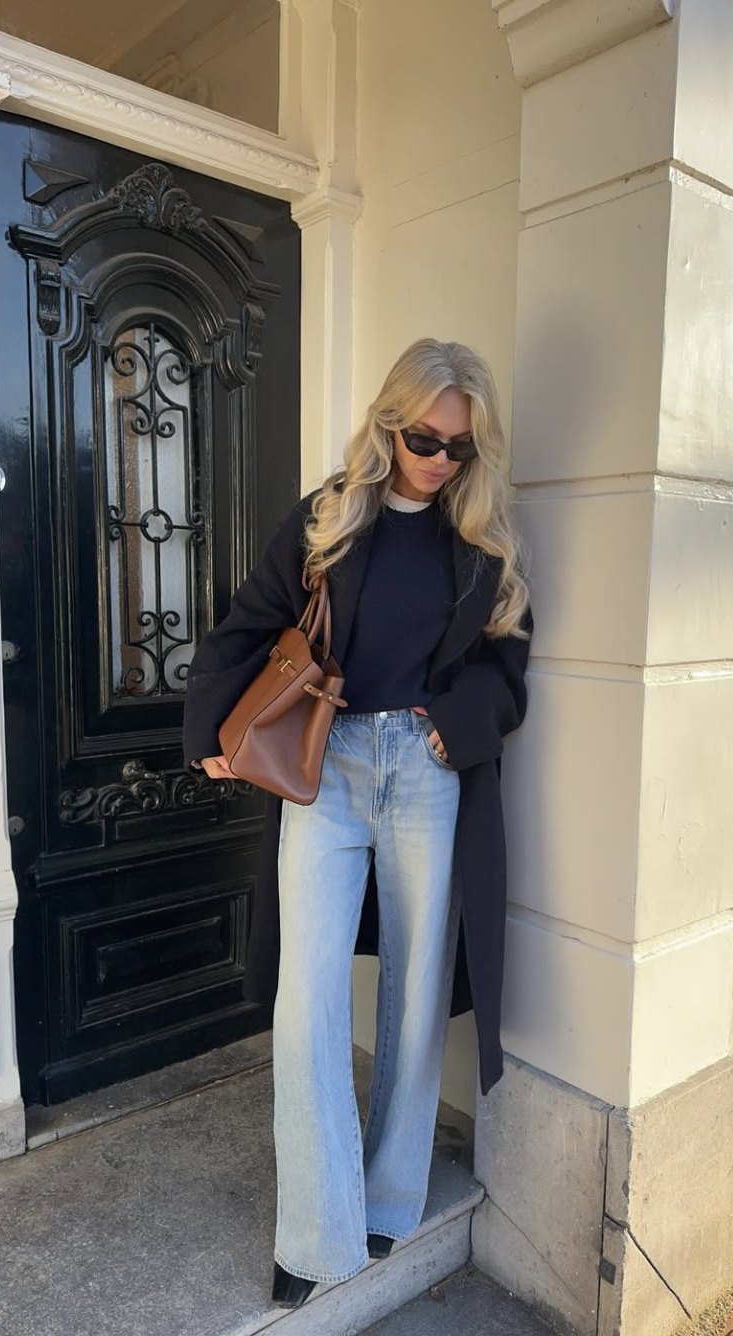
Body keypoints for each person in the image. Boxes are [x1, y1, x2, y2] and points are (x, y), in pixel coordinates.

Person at [181, 337, 533, 1309]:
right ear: (390, 425)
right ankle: (315, 1229)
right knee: (308, 993)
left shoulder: (482, 541)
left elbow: (509, 671)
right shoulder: (330, 515)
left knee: (416, 992)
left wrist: (450, 726)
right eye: (425, 438)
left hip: (423, 775)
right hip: (327, 768)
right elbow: (251, 618)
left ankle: (388, 1196)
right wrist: (209, 723)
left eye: (458, 446)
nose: (439, 459)